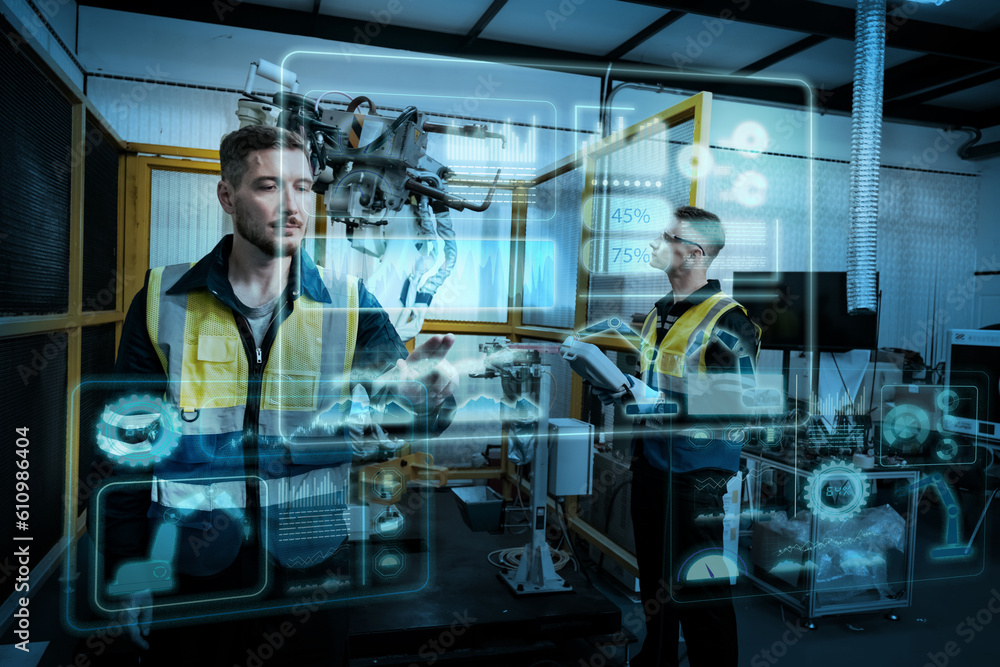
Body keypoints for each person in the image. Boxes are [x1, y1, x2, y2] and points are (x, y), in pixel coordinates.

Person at [87, 125, 458, 665]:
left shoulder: (348, 302)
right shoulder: (164, 299)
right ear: (227, 195)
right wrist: (127, 568)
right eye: (268, 186)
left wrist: (429, 401)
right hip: (192, 564)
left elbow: (405, 407)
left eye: (303, 187)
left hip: (309, 564)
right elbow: (126, 450)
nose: (293, 206)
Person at [628, 206, 759, 667]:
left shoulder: (728, 320)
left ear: (696, 253)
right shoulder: (659, 312)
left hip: (696, 477)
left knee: (701, 591)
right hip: (651, 464)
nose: (656, 243)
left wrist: (656, 405)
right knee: (655, 582)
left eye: (668, 237)